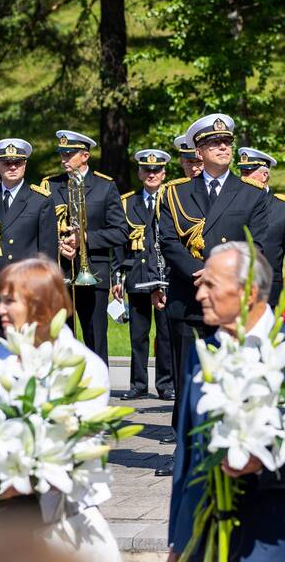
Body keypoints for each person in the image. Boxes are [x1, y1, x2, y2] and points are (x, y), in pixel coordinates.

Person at [167, 242, 285, 562]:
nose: (200, 294)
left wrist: (263, 462)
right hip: (207, 543)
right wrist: (180, 541)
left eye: (210, 285)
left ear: (247, 293)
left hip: (274, 540)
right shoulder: (200, 354)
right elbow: (188, 457)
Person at [0, 256, 120, 562]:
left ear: (40, 305)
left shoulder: (84, 365)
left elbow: (77, 450)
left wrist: (0, 490)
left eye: (9, 301)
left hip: (61, 523)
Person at [155, 113, 270, 475]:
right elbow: (168, 240)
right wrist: (197, 272)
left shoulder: (251, 194)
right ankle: (186, 451)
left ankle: (230, 448)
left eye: (227, 143)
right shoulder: (176, 192)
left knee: (230, 377)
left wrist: (222, 274)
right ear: (199, 151)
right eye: (215, 144)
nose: (224, 148)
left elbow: (260, 243)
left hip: (230, 302)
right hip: (188, 298)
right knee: (189, 377)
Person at [44, 130, 128, 364]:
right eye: (62, 154)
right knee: (60, 337)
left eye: (70, 154)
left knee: (95, 337)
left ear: (85, 156)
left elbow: (121, 232)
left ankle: (98, 391)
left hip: (94, 273)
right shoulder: (49, 186)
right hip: (61, 272)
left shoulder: (104, 186)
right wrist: (59, 245)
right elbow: (41, 228)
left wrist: (86, 238)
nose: (64, 159)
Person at [0, 138, 57, 349]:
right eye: (6, 162)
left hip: (26, 291)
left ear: (25, 165)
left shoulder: (40, 199)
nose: (12, 167)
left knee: (27, 354)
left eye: (18, 162)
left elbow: (47, 253)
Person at [113, 149, 174, 401]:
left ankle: (166, 384)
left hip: (164, 274)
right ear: (139, 172)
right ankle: (138, 383)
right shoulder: (127, 202)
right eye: (147, 170)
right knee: (138, 334)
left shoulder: (173, 199)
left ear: (164, 172)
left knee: (165, 334)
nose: (152, 174)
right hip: (137, 273)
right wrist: (116, 276)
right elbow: (118, 242)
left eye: (157, 170)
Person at [237, 147, 285, 305]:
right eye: (241, 173)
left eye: (247, 173)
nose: (242, 178)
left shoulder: (284, 208)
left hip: (268, 292)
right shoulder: (233, 204)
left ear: (264, 175)